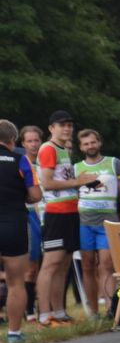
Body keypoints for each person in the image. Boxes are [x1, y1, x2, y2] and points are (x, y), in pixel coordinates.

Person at [36, 111, 98, 326]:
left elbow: (64, 180)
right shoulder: (48, 149)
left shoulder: (63, 150)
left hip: (71, 212)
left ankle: (59, 312)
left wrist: (84, 182)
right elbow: (48, 183)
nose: (67, 128)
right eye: (62, 125)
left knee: (63, 265)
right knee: (50, 264)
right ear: (51, 128)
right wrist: (79, 182)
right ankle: (44, 315)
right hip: (55, 214)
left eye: (70, 125)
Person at [74, 128, 120, 318]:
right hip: (85, 223)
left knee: (106, 264)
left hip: (108, 222)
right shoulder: (76, 168)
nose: (90, 146)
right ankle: (93, 311)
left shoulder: (114, 163)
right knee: (88, 266)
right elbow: (73, 195)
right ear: (81, 147)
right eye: (86, 143)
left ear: (99, 143)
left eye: (93, 142)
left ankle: (110, 308)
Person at [1, 120, 42, 343]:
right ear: (13, 140)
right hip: (13, 225)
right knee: (16, 282)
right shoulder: (21, 159)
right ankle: (14, 333)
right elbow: (35, 196)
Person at [19, 126, 44, 321]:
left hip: (51, 215)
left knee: (50, 264)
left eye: (36, 140)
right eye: (30, 141)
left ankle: (47, 308)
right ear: (23, 143)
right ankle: (29, 310)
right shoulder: (21, 164)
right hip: (31, 216)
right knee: (32, 264)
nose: (34, 144)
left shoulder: (46, 163)